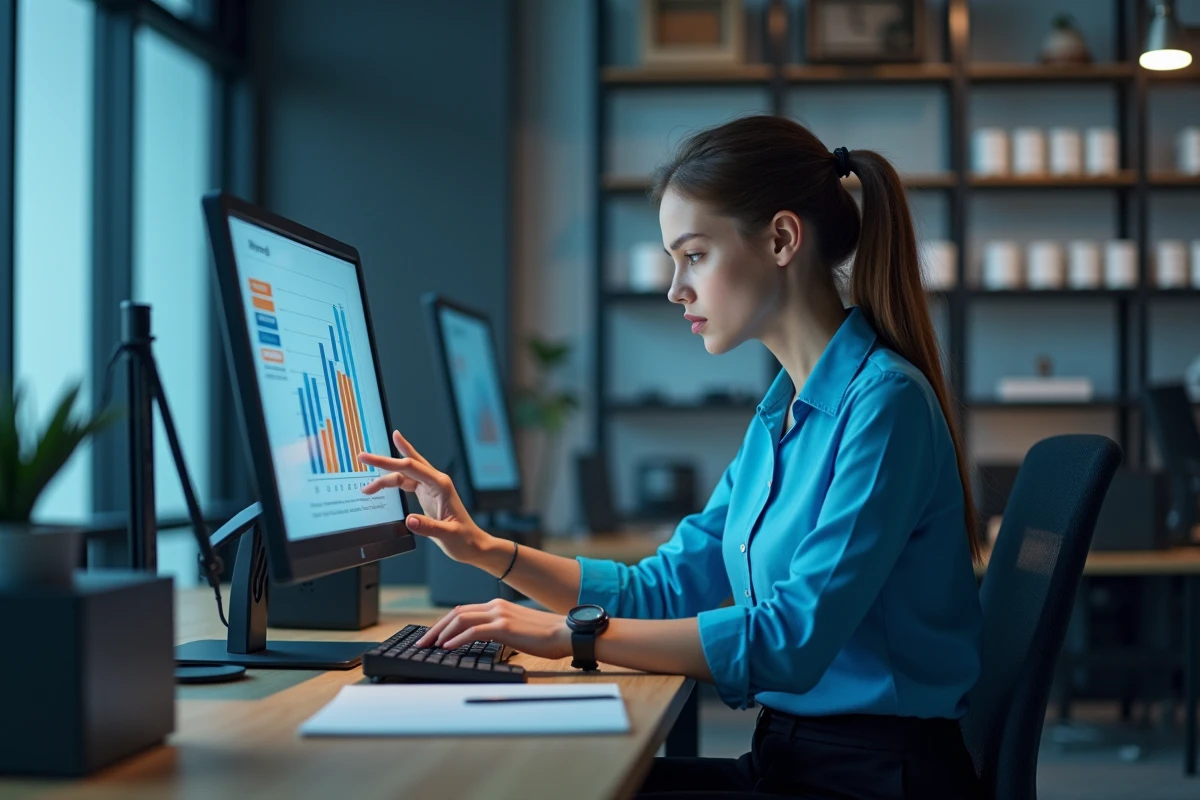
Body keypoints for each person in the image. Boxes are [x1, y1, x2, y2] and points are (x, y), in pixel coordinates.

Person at [359, 115, 984, 799]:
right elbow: (664, 587)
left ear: (781, 239)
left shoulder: (884, 407)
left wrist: (574, 637)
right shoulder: (780, 415)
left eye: (693, 255)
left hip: (875, 778)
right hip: (796, 761)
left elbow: (790, 641)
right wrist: (488, 550)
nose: (674, 288)